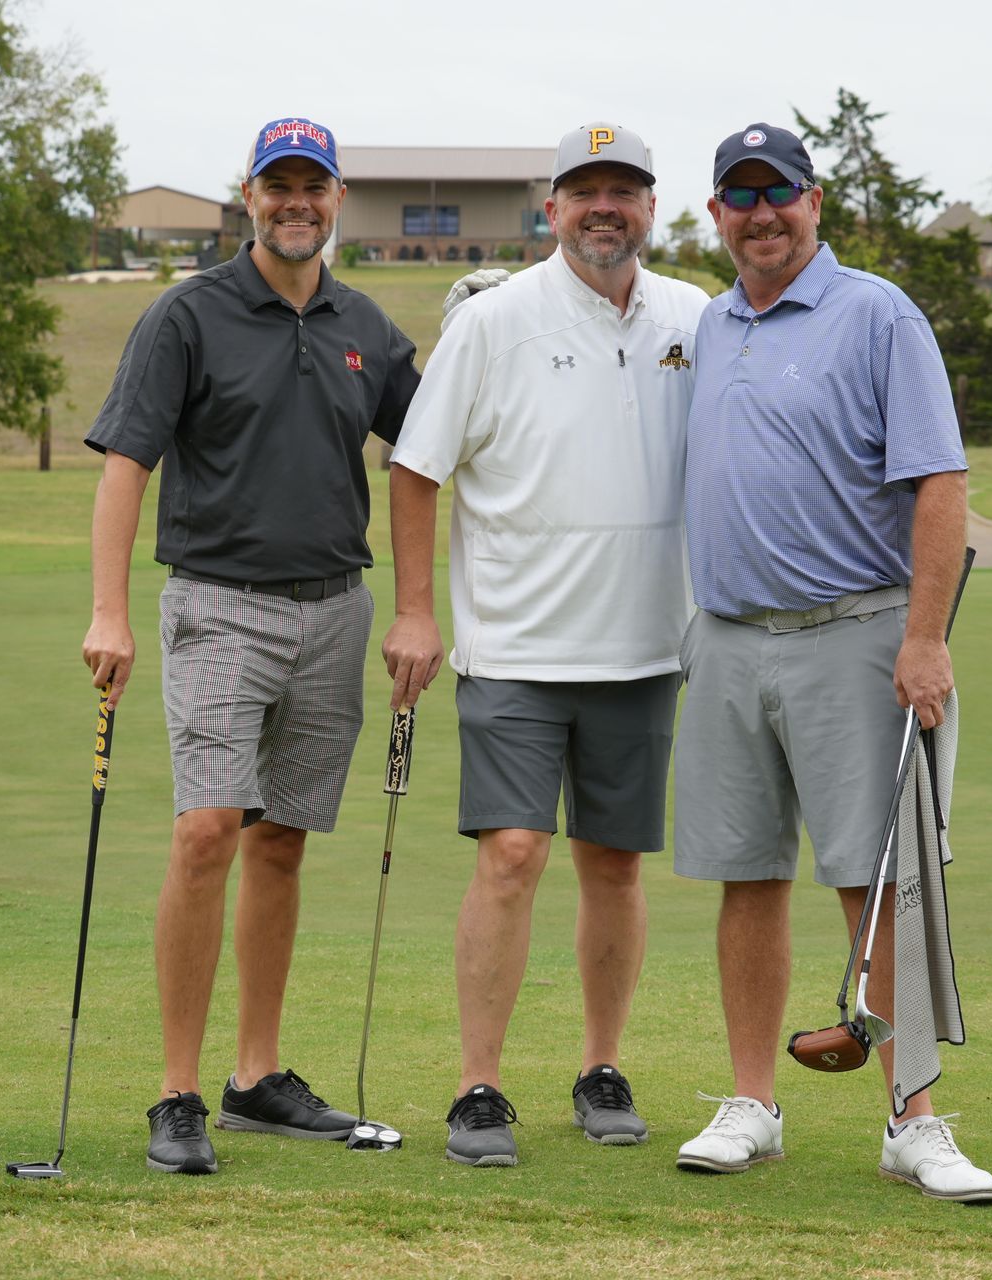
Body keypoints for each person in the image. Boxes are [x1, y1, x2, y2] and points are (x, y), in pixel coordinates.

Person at [80, 117, 419, 1176]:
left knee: (281, 839)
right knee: (207, 830)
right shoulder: (188, 314)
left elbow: (430, 455)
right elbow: (127, 462)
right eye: (278, 185)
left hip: (336, 609)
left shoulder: (369, 326)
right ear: (249, 195)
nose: (295, 202)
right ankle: (177, 1090)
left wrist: (417, 606)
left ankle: (255, 1078)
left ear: (337, 198)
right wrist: (109, 609)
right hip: (219, 602)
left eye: (312, 186)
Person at [669, 123, 992, 1202]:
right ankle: (752, 1103)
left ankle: (914, 1116)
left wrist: (923, 635)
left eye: (781, 192)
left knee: (879, 878)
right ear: (715, 214)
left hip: (852, 631)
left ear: (818, 203)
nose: (761, 213)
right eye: (740, 196)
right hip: (724, 639)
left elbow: (938, 483)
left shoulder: (878, 315)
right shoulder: (712, 325)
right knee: (747, 870)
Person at [382, 122, 710, 1167]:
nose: (603, 208)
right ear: (550, 208)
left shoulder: (696, 317)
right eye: (584, 192)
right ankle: (479, 1083)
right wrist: (419, 611)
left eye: (624, 190)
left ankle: (600, 1065)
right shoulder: (495, 321)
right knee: (513, 854)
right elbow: (416, 468)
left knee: (614, 863)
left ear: (652, 207)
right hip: (516, 643)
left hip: (644, 644)